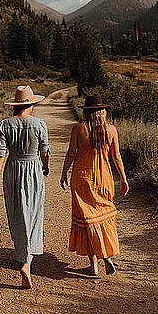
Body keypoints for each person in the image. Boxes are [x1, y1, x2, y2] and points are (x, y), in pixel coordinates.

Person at [60, 93, 129, 276]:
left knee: (86, 219)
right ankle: (106, 257)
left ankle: (94, 264)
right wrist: (123, 177)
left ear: (86, 112)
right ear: (103, 112)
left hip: (82, 178)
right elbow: (116, 157)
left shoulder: (78, 128)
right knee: (102, 217)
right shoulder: (111, 129)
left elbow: (71, 154)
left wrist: (63, 173)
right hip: (104, 177)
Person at [0, 85, 50, 289]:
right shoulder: (39, 124)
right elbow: (45, 152)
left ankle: (23, 253)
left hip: (13, 169)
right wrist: (46, 166)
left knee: (17, 212)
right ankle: (27, 262)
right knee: (34, 213)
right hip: (33, 169)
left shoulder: (6, 124)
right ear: (31, 104)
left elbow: (0, 154)